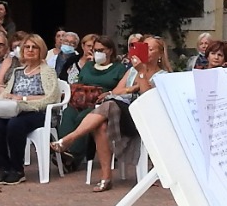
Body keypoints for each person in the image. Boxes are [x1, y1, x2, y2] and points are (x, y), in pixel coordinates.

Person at [56, 34, 166, 191]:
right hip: (121, 114)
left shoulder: (163, 76)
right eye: (144, 47)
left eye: (150, 49)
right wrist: (132, 87)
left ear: (160, 54)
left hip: (142, 118)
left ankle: (70, 138)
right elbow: (116, 90)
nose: (146, 51)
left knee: (110, 104)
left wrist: (141, 74)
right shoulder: (132, 72)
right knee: (101, 124)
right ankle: (105, 178)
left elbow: (147, 97)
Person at [0, 33, 61, 185]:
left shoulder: (47, 71)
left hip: (39, 113)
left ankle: (17, 169)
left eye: (35, 47)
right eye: (27, 47)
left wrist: (24, 100)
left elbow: (51, 97)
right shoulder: (17, 71)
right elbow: (7, 92)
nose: (30, 50)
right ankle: (4, 168)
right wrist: (7, 98)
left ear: (41, 51)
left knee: (15, 124)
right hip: (15, 110)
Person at [53, 34, 129, 168]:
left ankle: (73, 153)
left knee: (84, 117)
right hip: (82, 101)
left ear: (110, 50)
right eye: (95, 50)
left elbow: (120, 89)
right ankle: (64, 151)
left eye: (101, 50)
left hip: (102, 105)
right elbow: (80, 83)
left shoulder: (118, 69)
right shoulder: (88, 66)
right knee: (69, 113)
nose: (98, 53)